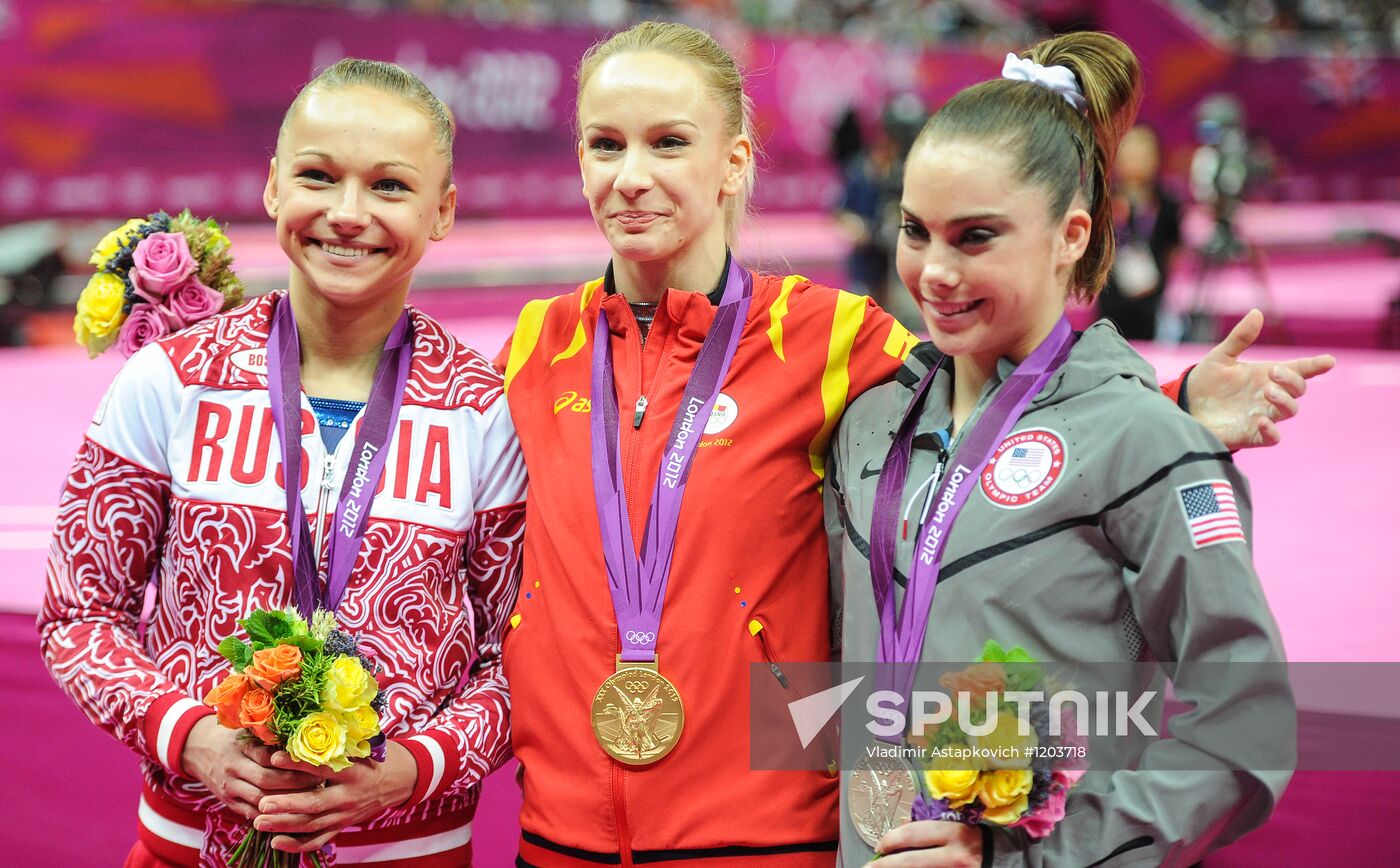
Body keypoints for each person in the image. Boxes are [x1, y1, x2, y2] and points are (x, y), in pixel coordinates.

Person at [495, 21, 1328, 867]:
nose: (632, 174)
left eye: (669, 142)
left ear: (736, 162)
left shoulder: (831, 341)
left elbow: (1014, 409)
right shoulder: (533, 344)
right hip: (568, 835)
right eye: (604, 143)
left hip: (770, 838)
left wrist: (1167, 409)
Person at [39, 59, 526, 866]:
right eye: (317, 175)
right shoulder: (172, 380)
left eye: (390, 187)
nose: (346, 213)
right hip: (189, 847)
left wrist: (408, 769)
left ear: (443, 210)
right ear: (272, 187)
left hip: (413, 852)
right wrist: (191, 739)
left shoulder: (485, 408)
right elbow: (79, 617)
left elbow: (522, 655)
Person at [827, 34, 1295, 867]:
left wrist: (1046, 855)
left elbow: (1247, 718)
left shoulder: (1149, 444)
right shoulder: (867, 423)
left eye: (975, 237)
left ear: (1072, 234)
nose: (933, 271)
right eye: (915, 231)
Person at [1097, 124, 1182, 341]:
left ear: (1156, 158)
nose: (1136, 160)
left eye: (1144, 153)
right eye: (1130, 152)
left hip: (1152, 299)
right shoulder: (1103, 201)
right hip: (1111, 297)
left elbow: (1174, 250)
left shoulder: (1168, 204)